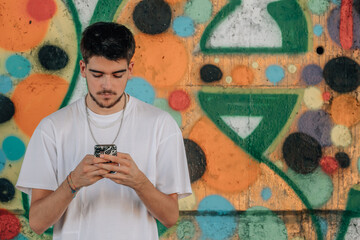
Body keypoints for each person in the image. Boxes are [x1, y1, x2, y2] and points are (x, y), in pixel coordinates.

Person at [16, 22, 192, 240]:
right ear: (83, 69)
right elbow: (38, 223)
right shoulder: (52, 128)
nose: (107, 85)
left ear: (130, 69)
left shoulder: (160, 125)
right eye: (97, 74)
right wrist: (72, 183)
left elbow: (170, 217)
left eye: (117, 75)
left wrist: (139, 182)